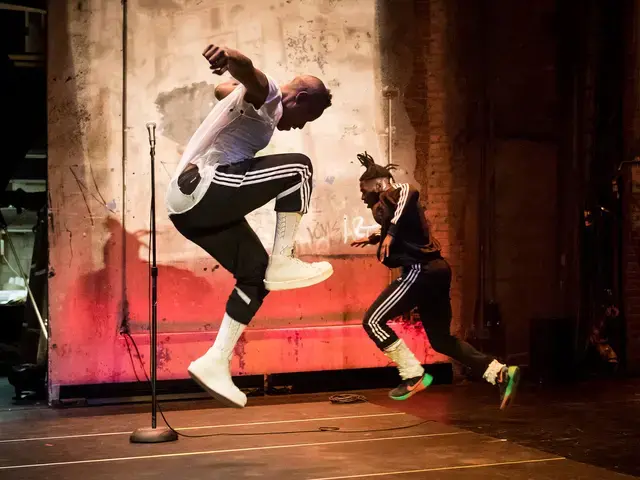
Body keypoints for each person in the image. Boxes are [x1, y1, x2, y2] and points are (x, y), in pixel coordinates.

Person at [165, 44, 334, 408]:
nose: (301, 125)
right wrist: (230, 58)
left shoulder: (255, 103)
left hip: (186, 210)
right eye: (307, 116)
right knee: (299, 167)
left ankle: (215, 361)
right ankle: (285, 258)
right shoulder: (270, 95)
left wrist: (231, 83)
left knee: (255, 274)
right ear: (300, 97)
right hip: (206, 188)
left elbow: (222, 89)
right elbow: (250, 72)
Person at [351, 152, 520, 409]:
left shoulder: (400, 192)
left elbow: (410, 190)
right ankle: (499, 372)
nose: (363, 199)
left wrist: (390, 234)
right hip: (436, 272)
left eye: (366, 192)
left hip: (421, 272)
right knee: (440, 340)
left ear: (379, 184)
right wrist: (378, 236)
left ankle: (412, 374)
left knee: (373, 321)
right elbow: (404, 223)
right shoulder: (395, 208)